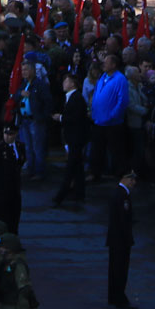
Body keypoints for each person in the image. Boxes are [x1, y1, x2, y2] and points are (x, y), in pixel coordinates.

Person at [52, 71, 90, 208]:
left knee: (70, 167)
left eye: (66, 81)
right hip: (73, 137)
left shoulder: (77, 98)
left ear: (72, 84)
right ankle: (79, 193)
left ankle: (60, 196)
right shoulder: (71, 97)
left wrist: (61, 118)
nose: (63, 83)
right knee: (77, 167)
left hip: (76, 138)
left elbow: (76, 118)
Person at [0, 124, 27, 235]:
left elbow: (21, 161)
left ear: (16, 134)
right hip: (1, 188)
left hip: (15, 188)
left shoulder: (20, 146)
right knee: (2, 217)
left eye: (10, 134)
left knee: (15, 216)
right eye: (5, 133)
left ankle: (13, 237)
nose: (7, 137)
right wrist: (0, 176)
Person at [105, 169, 136, 309]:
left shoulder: (117, 193)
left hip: (115, 239)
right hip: (121, 240)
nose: (133, 182)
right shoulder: (123, 195)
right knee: (120, 270)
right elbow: (124, 220)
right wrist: (128, 238)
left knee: (114, 270)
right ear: (124, 178)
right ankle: (119, 299)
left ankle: (114, 297)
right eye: (131, 179)